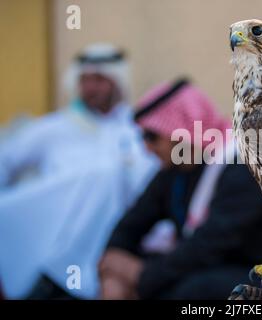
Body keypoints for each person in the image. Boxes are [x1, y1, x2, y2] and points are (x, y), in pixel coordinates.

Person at [98, 79, 262, 299]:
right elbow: (131, 224)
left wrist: (144, 276)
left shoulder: (245, 166)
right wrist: (112, 268)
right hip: (209, 268)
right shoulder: (175, 170)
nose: (146, 147)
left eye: (151, 136)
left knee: (192, 290)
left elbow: (212, 243)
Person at [0, 43, 159, 299]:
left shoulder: (135, 130)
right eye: (84, 80)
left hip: (118, 251)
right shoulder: (54, 128)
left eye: (99, 79)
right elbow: (5, 161)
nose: (90, 88)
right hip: (55, 260)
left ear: (118, 81)